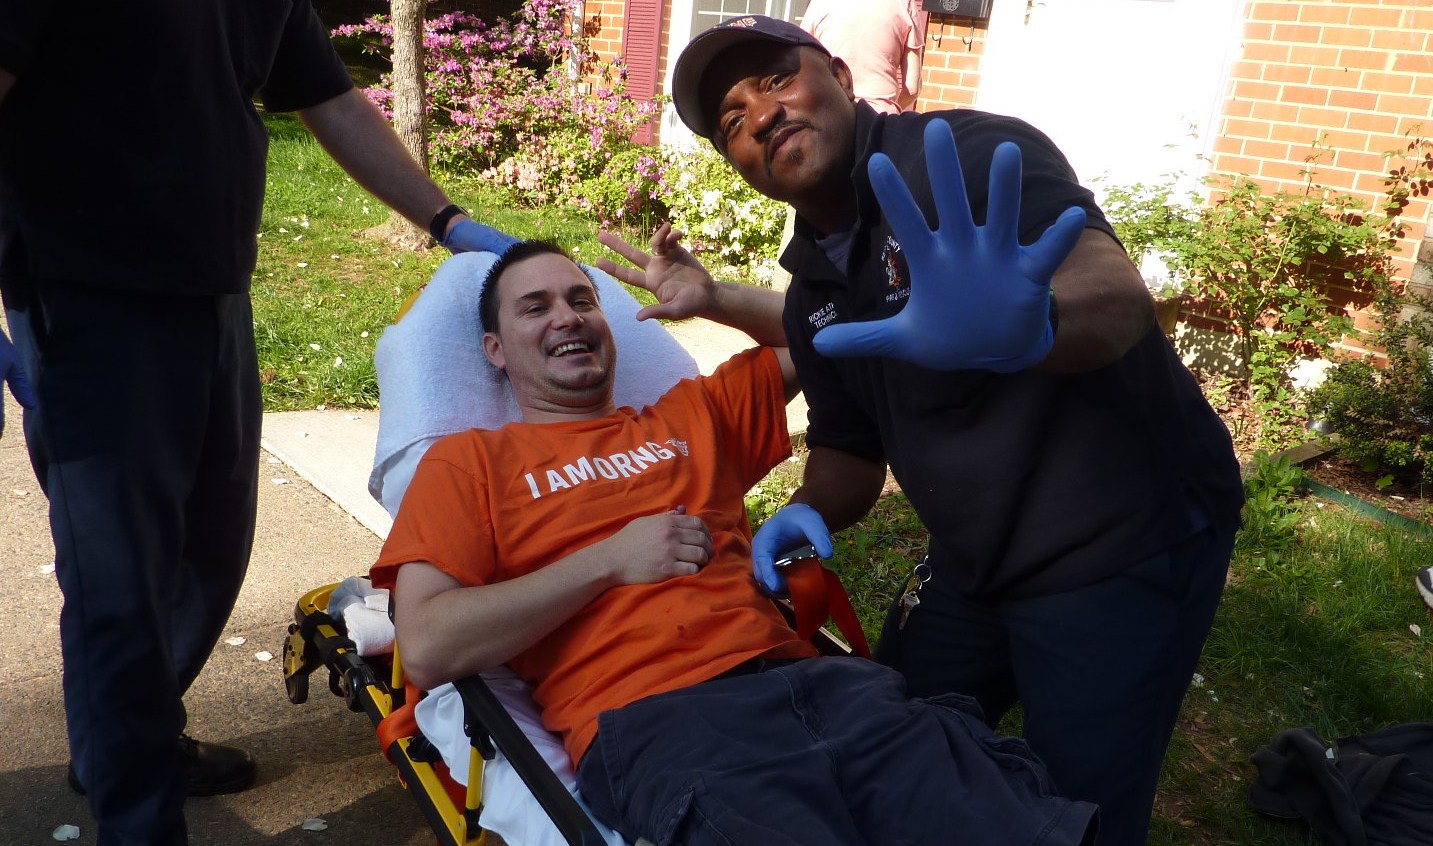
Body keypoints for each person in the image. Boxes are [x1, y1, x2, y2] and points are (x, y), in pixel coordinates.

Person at [668, 15, 1245, 846]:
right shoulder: (812, 287)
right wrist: (807, 509)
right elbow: (849, 450)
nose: (760, 115)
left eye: (775, 78)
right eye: (730, 120)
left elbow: (1116, 297)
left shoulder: (964, 159)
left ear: (838, 75)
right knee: (892, 734)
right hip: (973, 558)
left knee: (1074, 812)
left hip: (1123, 543)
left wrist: (1034, 326)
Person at [372, 235, 1098, 846]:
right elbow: (429, 643)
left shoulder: (691, 416)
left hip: (825, 689)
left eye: (582, 299)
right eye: (536, 307)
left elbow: (824, 334)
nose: (568, 316)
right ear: (495, 350)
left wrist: (714, 296)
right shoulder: (469, 464)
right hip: (666, 724)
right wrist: (608, 562)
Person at [0, 3, 511, 844]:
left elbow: (329, 97)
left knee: (211, 549)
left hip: (213, 291)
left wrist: (447, 221)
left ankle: (123, 737)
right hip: (85, 299)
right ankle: (138, 813)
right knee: (119, 583)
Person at [801, 0, 929, 114]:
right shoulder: (905, 3)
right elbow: (912, 88)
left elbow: (800, 58)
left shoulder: (820, 3)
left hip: (831, 114)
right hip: (879, 118)